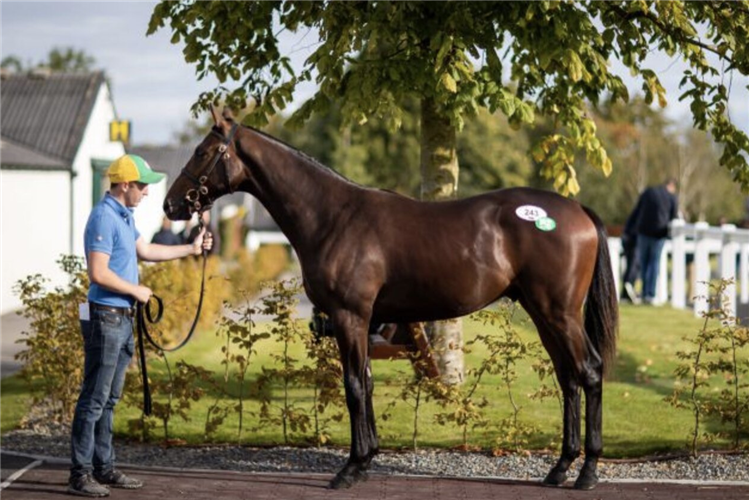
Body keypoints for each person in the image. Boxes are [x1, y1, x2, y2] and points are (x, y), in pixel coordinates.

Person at [69, 154, 213, 497]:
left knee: (108, 400)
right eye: (143, 185)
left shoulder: (123, 216)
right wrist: (136, 289)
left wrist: (191, 249)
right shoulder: (104, 217)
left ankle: (103, 469)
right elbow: (98, 273)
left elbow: (145, 250)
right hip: (105, 317)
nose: (147, 191)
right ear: (124, 185)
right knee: (93, 399)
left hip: (120, 318)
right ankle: (79, 475)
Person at [629, 178, 678, 305]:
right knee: (654, 263)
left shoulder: (647, 192)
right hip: (659, 234)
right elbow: (674, 216)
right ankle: (650, 294)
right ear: (672, 186)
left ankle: (645, 292)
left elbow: (637, 211)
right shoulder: (671, 197)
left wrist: (629, 228)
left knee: (644, 264)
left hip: (643, 232)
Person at [620, 209, 640, 304]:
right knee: (633, 264)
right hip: (631, 239)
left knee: (631, 264)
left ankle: (625, 293)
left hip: (628, 237)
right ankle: (629, 284)